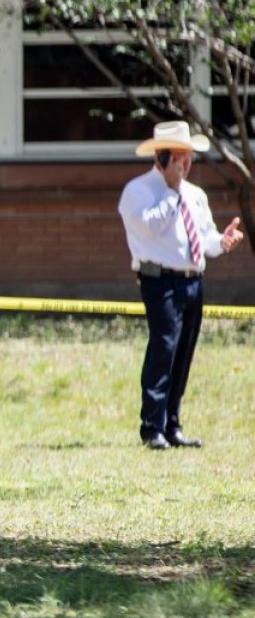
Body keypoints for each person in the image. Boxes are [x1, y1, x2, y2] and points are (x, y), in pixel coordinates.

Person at [118, 120, 244, 450]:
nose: (185, 164)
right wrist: (171, 191)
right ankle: (152, 428)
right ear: (160, 159)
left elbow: (204, 239)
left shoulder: (196, 195)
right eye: (178, 158)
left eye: (189, 157)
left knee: (184, 354)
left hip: (193, 281)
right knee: (164, 349)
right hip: (160, 281)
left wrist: (224, 241)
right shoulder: (138, 192)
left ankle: (173, 424)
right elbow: (149, 230)